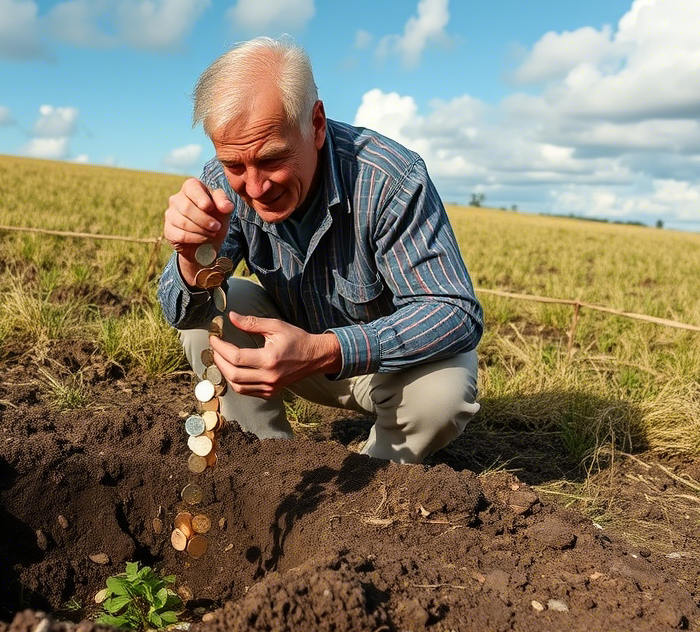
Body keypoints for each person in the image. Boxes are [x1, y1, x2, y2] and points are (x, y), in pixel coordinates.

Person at [157, 36, 483, 463]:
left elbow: (454, 311)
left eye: (272, 159)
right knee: (213, 314)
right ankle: (266, 464)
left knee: (442, 395)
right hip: (286, 350)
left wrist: (326, 349)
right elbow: (181, 313)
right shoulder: (223, 184)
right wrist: (189, 259)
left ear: (316, 124)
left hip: (386, 369)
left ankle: (377, 481)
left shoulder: (391, 181)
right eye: (234, 165)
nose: (254, 187)